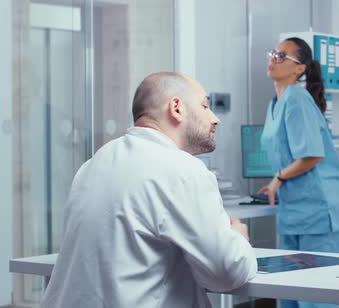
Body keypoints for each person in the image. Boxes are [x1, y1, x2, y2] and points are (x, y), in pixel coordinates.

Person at [41, 72, 257, 308]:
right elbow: (227, 271)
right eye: (205, 106)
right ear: (177, 107)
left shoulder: (95, 162)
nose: (215, 119)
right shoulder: (183, 170)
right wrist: (238, 237)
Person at [258, 37, 339, 308]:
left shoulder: (297, 97)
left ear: (299, 69)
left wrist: (278, 179)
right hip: (295, 210)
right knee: (288, 295)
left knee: (317, 299)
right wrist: (277, 181)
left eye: (281, 55)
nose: (273, 58)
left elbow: (312, 154)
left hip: (322, 211)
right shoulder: (274, 103)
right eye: (273, 53)